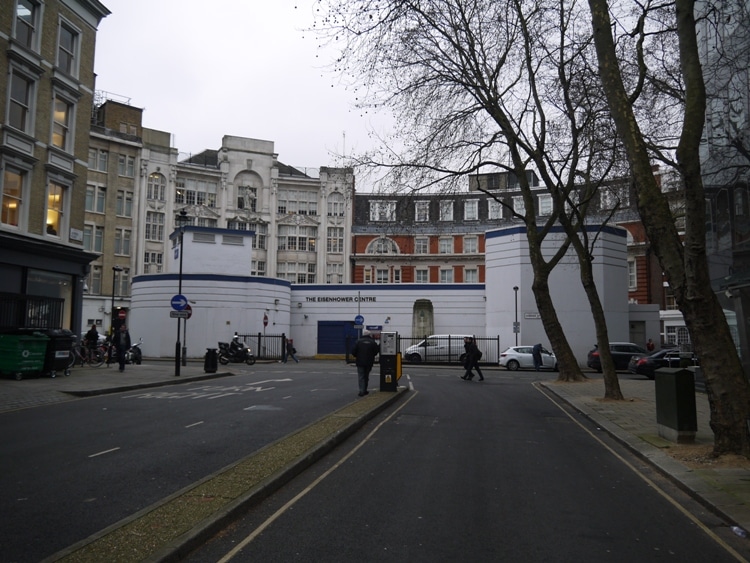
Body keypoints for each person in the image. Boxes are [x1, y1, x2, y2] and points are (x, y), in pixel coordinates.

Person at [351, 330, 380, 396]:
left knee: (361, 376)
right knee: (366, 376)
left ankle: (361, 391)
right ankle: (365, 389)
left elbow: (353, 351)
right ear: (369, 335)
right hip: (369, 362)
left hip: (360, 362)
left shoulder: (358, 342)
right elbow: (376, 352)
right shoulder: (372, 342)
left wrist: (357, 356)